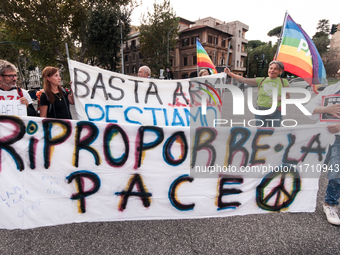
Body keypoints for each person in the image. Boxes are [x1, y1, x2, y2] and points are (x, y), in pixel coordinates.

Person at [305, 80, 340, 225]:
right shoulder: (331, 89)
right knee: (310, 167)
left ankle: (330, 204)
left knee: (336, 172)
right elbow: (308, 109)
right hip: (321, 136)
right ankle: (301, 197)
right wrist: (325, 109)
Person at [224, 60, 290, 127]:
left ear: (280, 71)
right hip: (260, 110)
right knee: (260, 132)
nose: (272, 70)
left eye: (275, 69)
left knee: (273, 132)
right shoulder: (261, 80)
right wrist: (229, 73)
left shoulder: (283, 82)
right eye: (271, 68)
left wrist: (280, 98)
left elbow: (287, 96)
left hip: (275, 111)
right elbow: (243, 79)